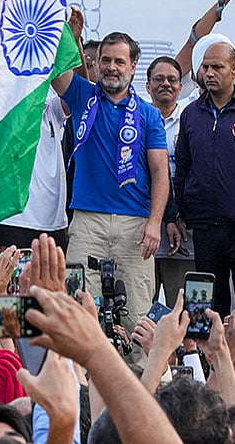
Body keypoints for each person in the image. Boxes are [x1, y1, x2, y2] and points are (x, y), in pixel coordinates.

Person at [51, 31, 170, 333]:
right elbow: (55, 67)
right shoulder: (82, 96)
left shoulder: (149, 114)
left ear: (133, 66)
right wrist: (68, 34)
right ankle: (80, 378)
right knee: (77, 307)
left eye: (119, 61)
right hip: (87, 222)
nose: (111, 67)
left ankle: (139, 377)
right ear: (96, 64)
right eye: (105, 60)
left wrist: (155, 221)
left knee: (137, 313)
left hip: (135, 225)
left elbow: (159, 172)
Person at [174, 39, 235, 313]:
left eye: (217, 67)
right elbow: (182, 168)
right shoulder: (190, 114)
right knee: (204, 310)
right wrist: (178, 214)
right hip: (204, 229)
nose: (209, 73)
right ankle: (203, 358)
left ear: (234, 70)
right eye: (205, 67)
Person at [0, 86, 70, 258]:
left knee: (54, 284)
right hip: (12, 220)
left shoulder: (50, 107)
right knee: (10, 284)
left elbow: (75, 92)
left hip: (54, 224)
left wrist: (75, 57)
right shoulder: (0, 104)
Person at [146, 55, 192, 307]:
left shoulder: (191, 120)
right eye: (159, 79)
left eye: (172, 79)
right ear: (147, 85)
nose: (166, 84)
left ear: (180, 86)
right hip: (144, 235)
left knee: (184, 314)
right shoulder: (136, 119)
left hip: (183, 237)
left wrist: (179, 215)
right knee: (140, 313)